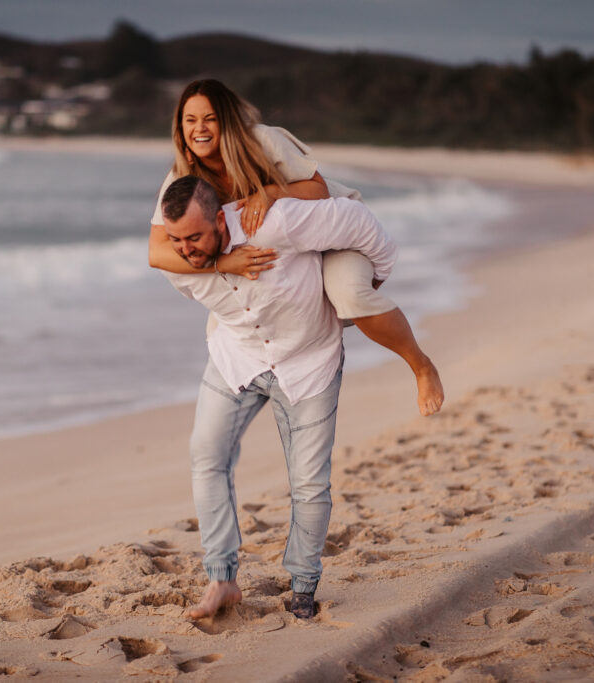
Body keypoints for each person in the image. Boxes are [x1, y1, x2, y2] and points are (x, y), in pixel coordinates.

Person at [158, 174, 399, 620]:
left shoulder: (276, 223)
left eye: (194, 236)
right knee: (205, 456)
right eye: (175, 238)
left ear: (222, 221)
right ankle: (222, 579)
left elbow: (360, 222)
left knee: (309, 483)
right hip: (238, 360)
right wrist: (218, 264)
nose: (184, 249)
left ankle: (303, 588)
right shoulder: (180, 265)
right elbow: (190, 266)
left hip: (308, 363)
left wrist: (367, 286)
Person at [149, 79, 443, 417]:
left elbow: (317, 189)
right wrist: (224, 264)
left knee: (348, 294)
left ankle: (421, 366)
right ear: (180, 126)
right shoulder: (182, 177)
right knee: (222, 328)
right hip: (287, 250)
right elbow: (157, 253)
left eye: (210, 118)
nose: (199, 128)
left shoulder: (261, 141)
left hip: (332, 236)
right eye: (190, 120)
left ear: (227, 119)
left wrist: (270, 192)